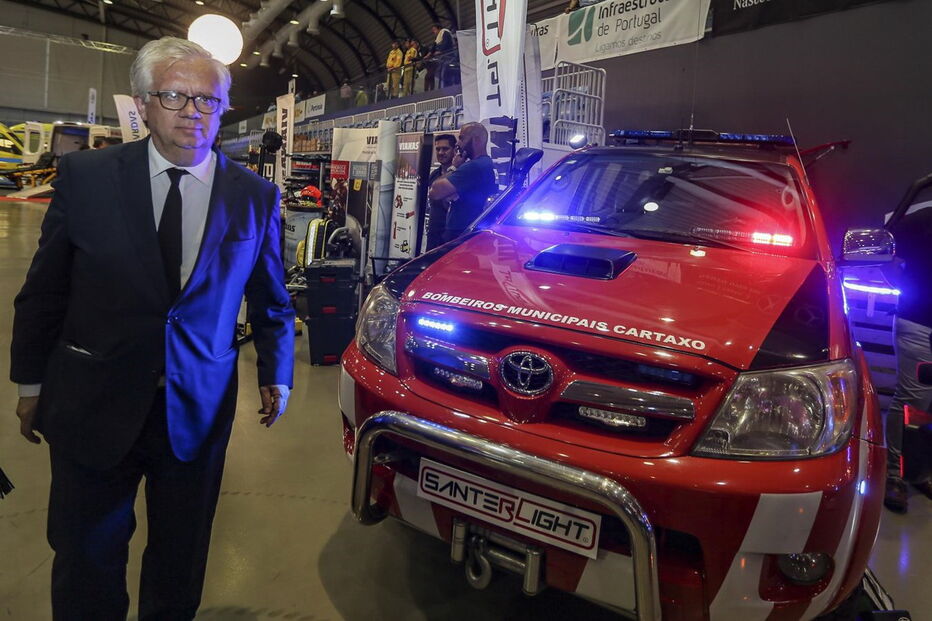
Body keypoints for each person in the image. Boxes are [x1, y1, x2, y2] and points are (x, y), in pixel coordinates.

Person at [10, 37, 295, 619]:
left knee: (179, 559)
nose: (193, 113)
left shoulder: (255, 197)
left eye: (207, 100)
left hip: (196, 409)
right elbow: (44, 291)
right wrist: (31, 384)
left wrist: (277, 371)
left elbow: (271, 298)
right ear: (142, 104)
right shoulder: (86, 177)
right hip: (93, 401)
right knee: (87, 558)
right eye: (174, 97)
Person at [883, 205, 932, 513]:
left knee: (927, 405)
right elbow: (885, 254)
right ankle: (895, 475)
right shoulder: (922, 220)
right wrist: (909, 290)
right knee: (914, 402)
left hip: (918, 321)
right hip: (919, 324)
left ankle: (919, 471)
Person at [427, 122, 497, 244]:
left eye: (462, 138)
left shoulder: (474, 166)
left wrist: (454, 167)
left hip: (460, 233)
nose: (458, 143)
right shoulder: (483, 163)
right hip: (465, 231)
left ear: (476, 140)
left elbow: (435, 192)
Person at [424, 133, 456, 251]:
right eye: (438, 149)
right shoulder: (434, 175)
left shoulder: (460, 175)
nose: (441, 152)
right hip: (434, 234)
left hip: (452, 237)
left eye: (445, 149)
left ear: (454, 150)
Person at [423, 23, 454, 91]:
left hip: (448, 56)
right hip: (442, 58)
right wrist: (428, 54)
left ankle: (445, 88)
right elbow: (433, 46)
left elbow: (446, 42)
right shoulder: (438, 37)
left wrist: (440, 51)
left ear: (439, 28)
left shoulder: (445, 32)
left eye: (434, 30)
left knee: (445, 72)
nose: (433, 32)